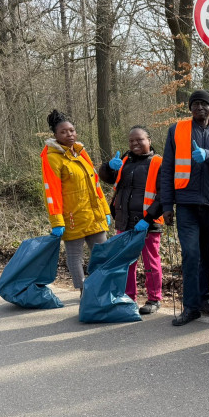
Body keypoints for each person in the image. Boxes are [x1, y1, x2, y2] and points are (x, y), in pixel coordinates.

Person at [160, 89, 209, 326]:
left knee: (208, 256)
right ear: (189, 109)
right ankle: (190, 307)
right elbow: (167, 169)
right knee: (191, 254)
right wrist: (166, 204)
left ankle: (204, 299)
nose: (199, 108)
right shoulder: (177, 130)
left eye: (204, 104)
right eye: (195, 104)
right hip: (187, 203)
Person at [41, 109, 110, 292]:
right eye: (63, 132)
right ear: (55, 135)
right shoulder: (52, 159)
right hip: (71, 217)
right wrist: (57, 220)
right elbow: (51, 191)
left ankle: (102, 289)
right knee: (75, 256)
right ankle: (83, 292)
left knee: (103, 254)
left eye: (71, 130)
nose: (69, 134)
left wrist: (106, 210)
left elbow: (95, 185)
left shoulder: (81, 153)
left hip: (94, 215)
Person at [98, 125, 164, 315]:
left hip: (148, 223)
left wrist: (149, 218)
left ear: (149, 140)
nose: (135, 143)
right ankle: (128, 297)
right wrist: (108, 167)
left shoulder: (159, 162)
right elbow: (108, 179)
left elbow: (163, 195)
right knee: (127, 263)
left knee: (151, 263)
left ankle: (154, 299)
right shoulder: (124, 160)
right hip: (124, 221)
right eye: (131, 141)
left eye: (139, 139)